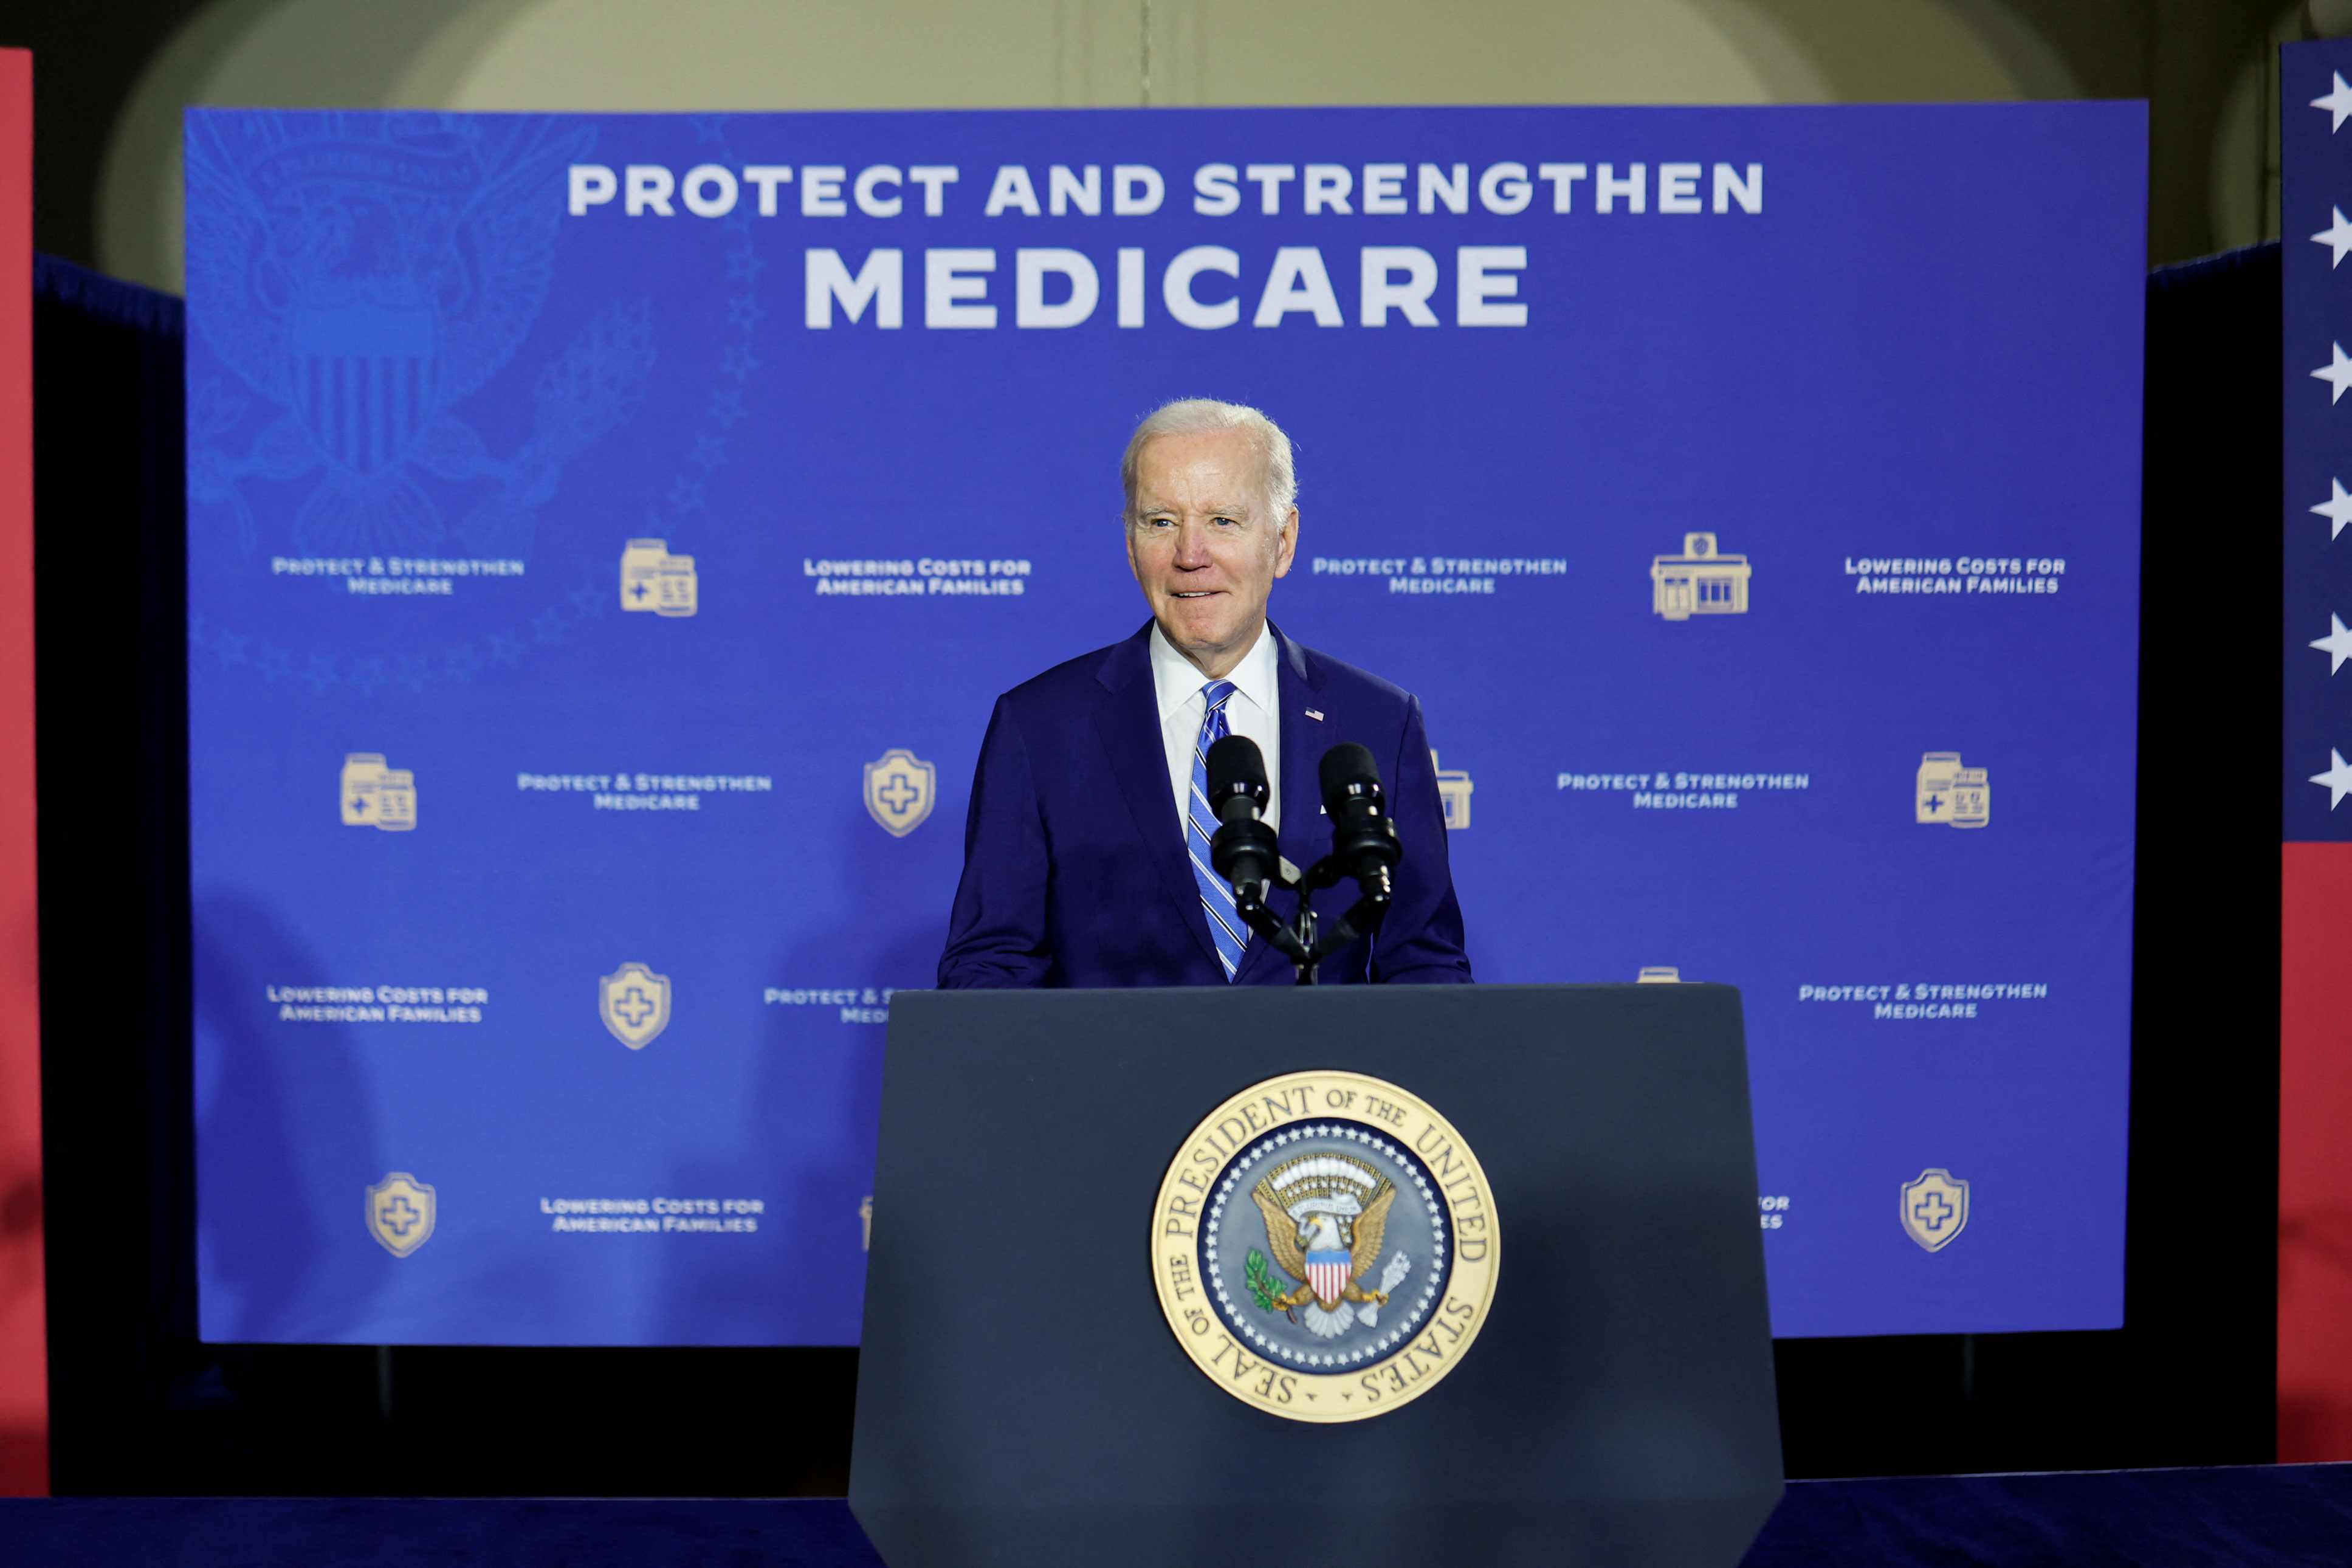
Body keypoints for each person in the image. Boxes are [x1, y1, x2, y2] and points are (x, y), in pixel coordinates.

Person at [936, 398, 1471, 988]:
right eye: (1161, 522)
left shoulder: (1378, 723)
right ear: (1129, 541)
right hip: (1114, 1080)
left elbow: (1425, 968)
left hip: (1313, 1078)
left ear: (1284, 541)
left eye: (1223, 521)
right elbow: (990, 971)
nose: (1191, 556)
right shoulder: (1040, 728)